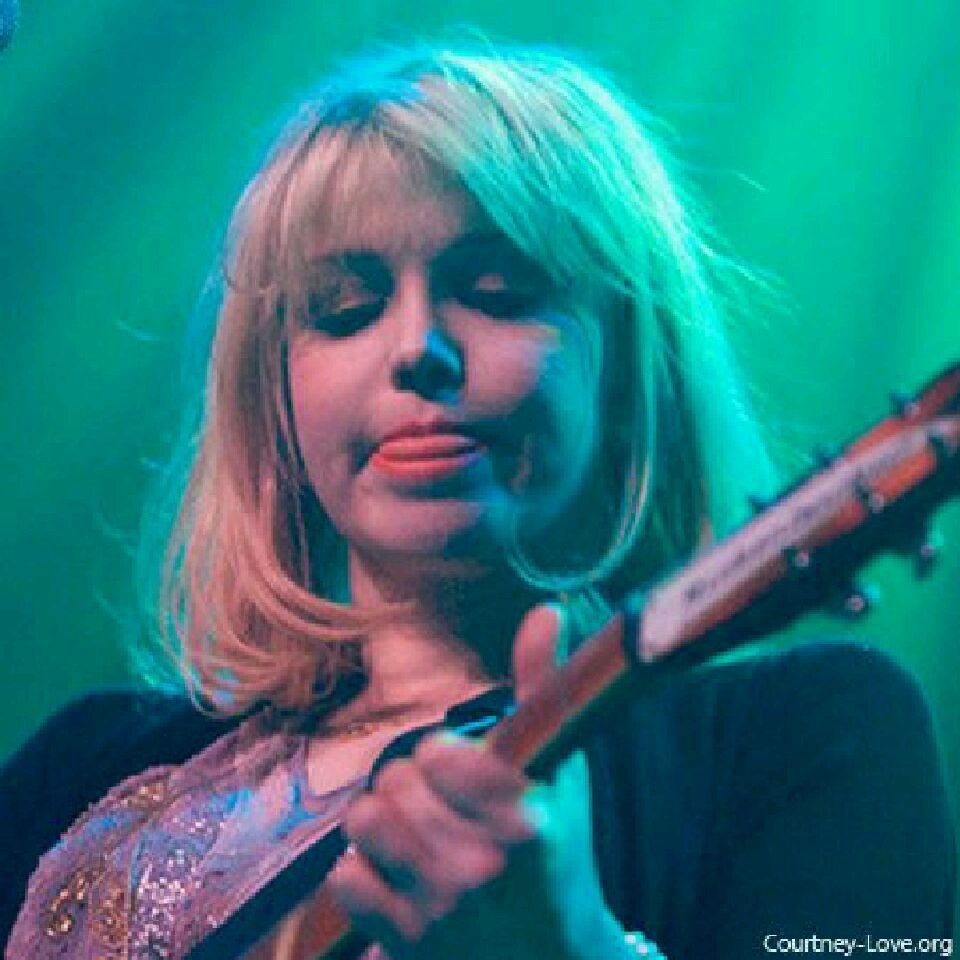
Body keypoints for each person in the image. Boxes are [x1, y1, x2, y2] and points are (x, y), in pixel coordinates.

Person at [1, 39, 954, 960]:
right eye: (346, 309)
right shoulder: (85, 761)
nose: (417, 347)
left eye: (498, 291)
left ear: (629, 374)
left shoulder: (802, 735)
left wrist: (572, 950)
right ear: (276, 401)